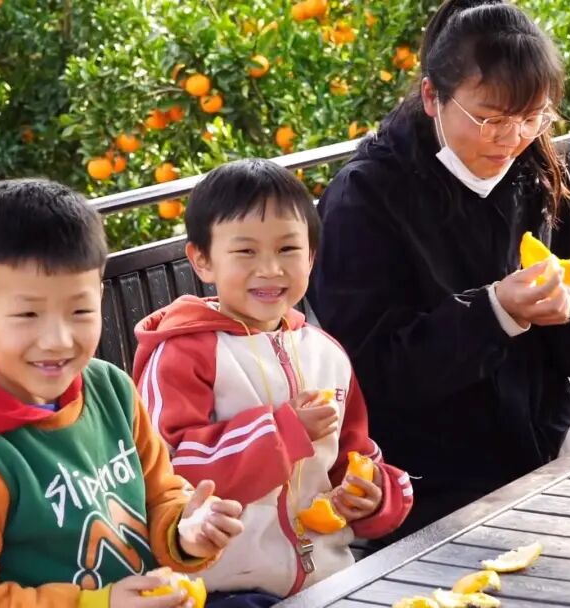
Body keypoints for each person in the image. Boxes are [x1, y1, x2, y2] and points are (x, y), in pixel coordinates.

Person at [307, 0, 570, 539]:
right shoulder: (366, 197)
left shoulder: (536, 174)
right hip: (432, 484)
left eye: (531, 118)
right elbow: (371, 372)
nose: (510, 139)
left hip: (554, 448)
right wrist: (494, 312)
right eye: (491, 119)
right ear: (432, 97)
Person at [0, 178, 244, 608]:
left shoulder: (109, 389)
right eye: (28, 314)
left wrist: (185, 532)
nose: (58, 340)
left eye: (80, 310)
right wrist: (97, 603)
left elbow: (161, 496)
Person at [132, 159, 414, 603]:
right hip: (220, 588)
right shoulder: (183, 353)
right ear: (202, 260)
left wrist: (373, 496)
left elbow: (353, 457)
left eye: (288, 249)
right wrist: (283, 432)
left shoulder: (325, 353)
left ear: (312, 256)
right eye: (246, 252)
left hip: (331, 577)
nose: (270, 269)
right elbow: (169, 472)